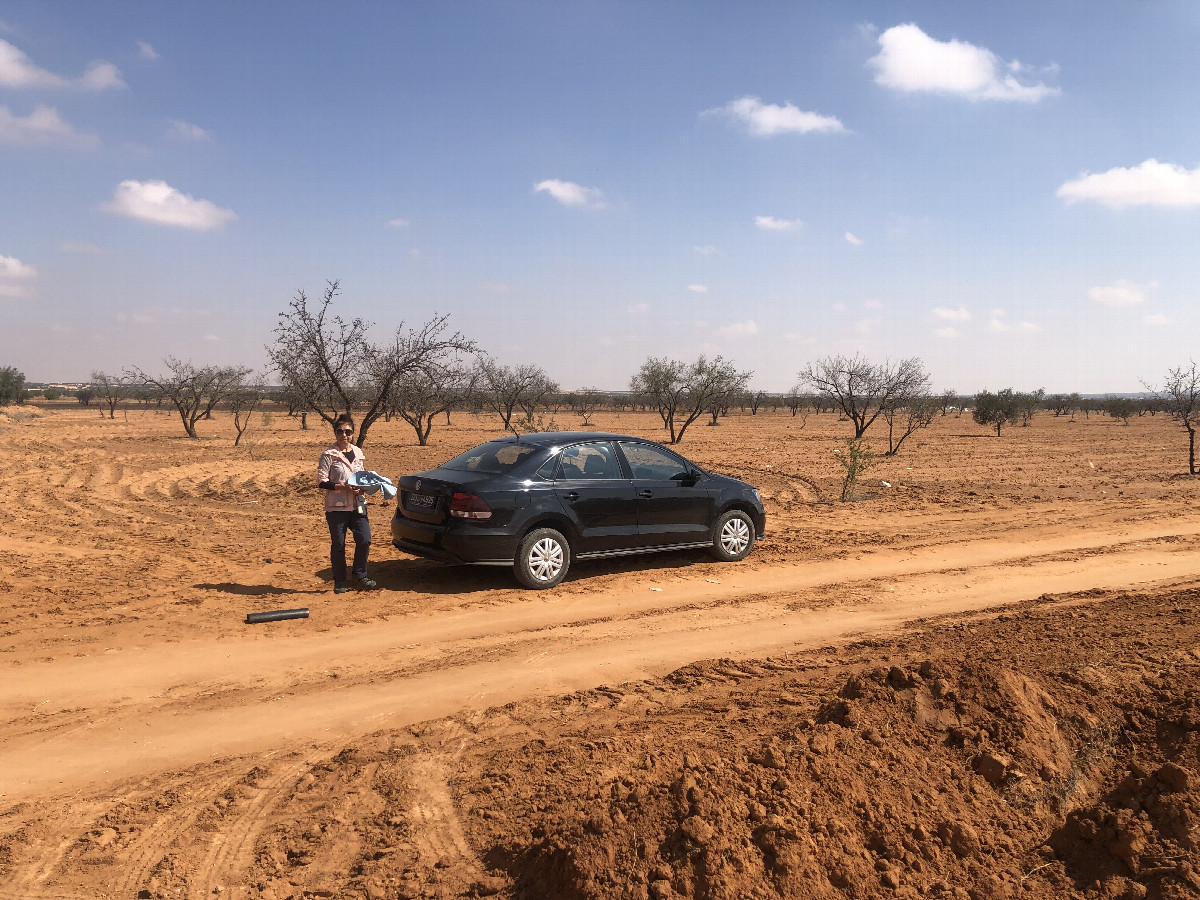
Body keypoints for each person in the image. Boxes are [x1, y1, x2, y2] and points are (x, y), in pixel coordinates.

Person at [317, 413, 376, 593]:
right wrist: (344, 487)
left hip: (358, 504)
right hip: (337, 508)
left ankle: (360, 575)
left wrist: (365, 487)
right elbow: (321, 482)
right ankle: (340, 580)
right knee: (339, 544)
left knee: (364, 539)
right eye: (340, 431)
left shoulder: (358, 452)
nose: (344, 435)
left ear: (353, 433)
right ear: (335, 433)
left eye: (348, 431)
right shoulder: (329, 455)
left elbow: (362, 476)